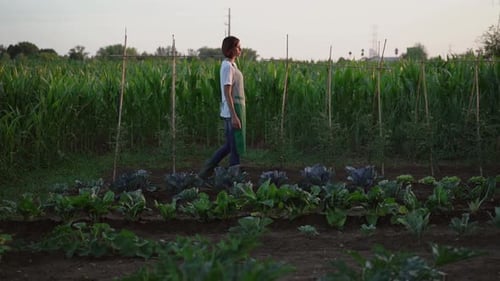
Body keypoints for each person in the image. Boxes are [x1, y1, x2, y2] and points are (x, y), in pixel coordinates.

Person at [199, 36, 246, 179]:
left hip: (235, 110)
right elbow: (227, 91)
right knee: (234, 147)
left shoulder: (232, 65)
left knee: (229, 146)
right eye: (238, 47)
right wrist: (234, 115)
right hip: (231, 112)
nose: (240, 49)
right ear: (230, 49)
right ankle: (233, 178)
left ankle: (206, 172)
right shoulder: (227, 67)